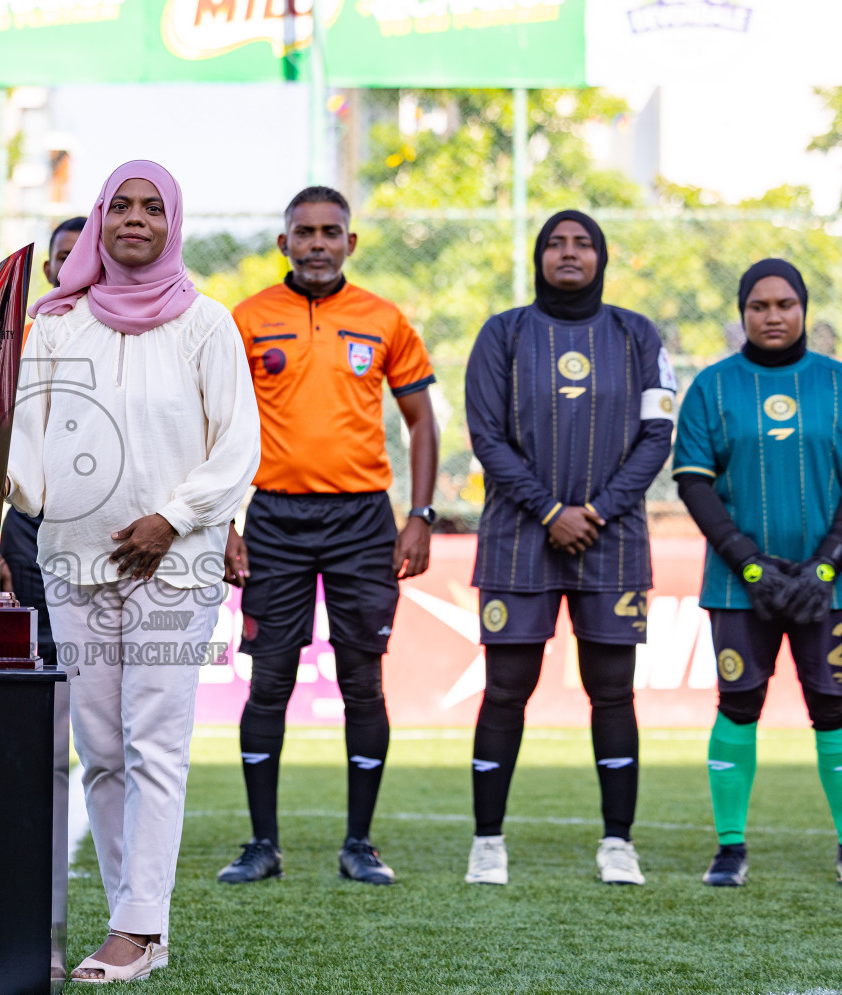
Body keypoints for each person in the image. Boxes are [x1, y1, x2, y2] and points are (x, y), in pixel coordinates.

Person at [9, 160, 260, 982]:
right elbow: (26, 450)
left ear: (173, 223)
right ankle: (136, 925)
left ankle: (138, 926)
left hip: (173, 567)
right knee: (101, 748)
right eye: (122, 206)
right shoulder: (54, 326)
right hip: (73, 564)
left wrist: (174, 521)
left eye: (154, 208)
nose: (136, 220)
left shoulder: (206, 324)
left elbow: (238, 447)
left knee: (155, 744)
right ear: (98, 219)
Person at [217, 186, 438, 886]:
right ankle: (262, 844)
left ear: (350, 243)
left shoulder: (383, 319)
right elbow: (214, 427)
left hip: (364, 522)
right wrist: (223, 522)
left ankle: (360, 844)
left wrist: (420, 514)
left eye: (330, 232)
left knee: (363, 682)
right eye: (304, 232)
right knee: (270, 683)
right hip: (276, 520)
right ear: (283, 244)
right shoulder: (246, 320)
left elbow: (421, 421)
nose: (317, 243)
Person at [462, 211, 674, 886]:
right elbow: (486, 437)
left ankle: (619, 843)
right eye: (555, 243)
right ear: (538, 257)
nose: (569, 253)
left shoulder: (638, 335)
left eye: (582, 243)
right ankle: (487, 842)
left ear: (603, 257)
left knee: (612, 693)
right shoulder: (504, 333)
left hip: (612, 541)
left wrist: (598, 510)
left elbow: (657, 437)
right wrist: (551, 510)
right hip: (519, 538)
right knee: (505, 691)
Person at [673, 258, 842, 886]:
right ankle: (731, 848)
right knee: (738, 704)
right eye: (759, 306)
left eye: (785, 305)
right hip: (735, 587)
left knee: (835, 707)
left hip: (831, 585)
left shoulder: (836, 382)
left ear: (804, 309)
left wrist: (824, 566)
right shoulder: (713, 388)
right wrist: (748, 564)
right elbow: (693, 481)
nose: (773, 316)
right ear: (742, 313)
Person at [0, 215, 86, 666]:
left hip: (99, 516)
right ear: (49, 267)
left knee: (96, 656)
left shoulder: (132, 334)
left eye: (84, 256)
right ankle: (44, 740)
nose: (73, 268)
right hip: (31, 521)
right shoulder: (16, 341)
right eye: (65, 258)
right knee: (39, 652)